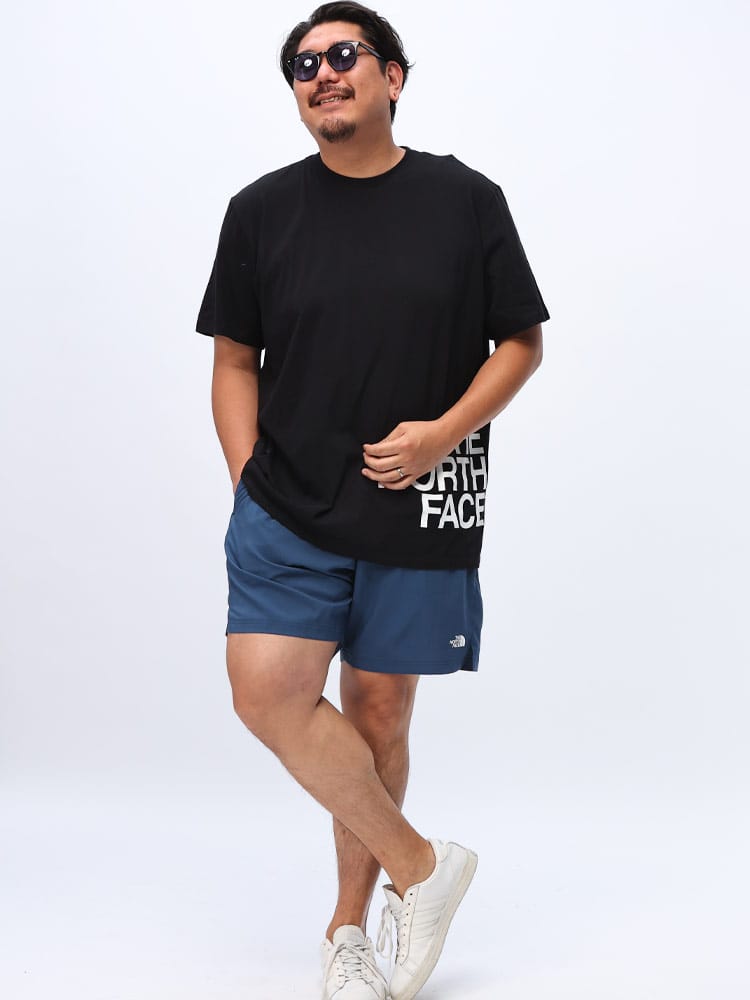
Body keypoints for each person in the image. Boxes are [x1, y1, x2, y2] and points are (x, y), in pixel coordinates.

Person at [195, 3, 550, 997]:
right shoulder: (259, 211)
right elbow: (234, 361)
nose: (322, 72)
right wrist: (246, 483)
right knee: (266, 692)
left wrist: (443, 434)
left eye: (343, 54)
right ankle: (423, 868)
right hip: (285, 502)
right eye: (302, 64)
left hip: (418, 499)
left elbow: (520, 343)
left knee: (380, 713)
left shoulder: (465, 200)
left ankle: (349, 932)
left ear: (393, 77)